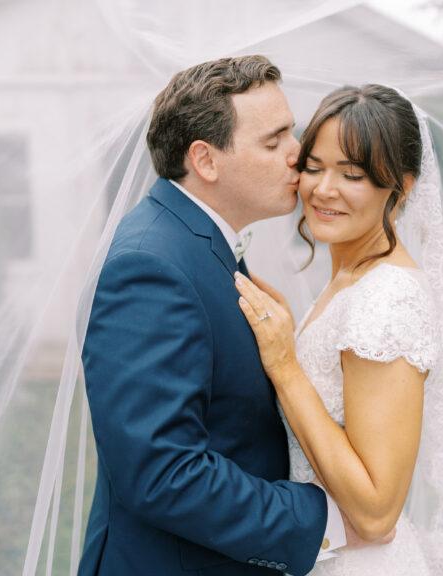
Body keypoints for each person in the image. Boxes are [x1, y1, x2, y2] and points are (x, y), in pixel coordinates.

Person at [78, 56, 387, 576]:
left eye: (293, 133)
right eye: (274, 142)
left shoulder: (200, 241)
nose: (299, 156)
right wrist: (322, 520)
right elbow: (163, 471)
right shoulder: (151, 267)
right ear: (206, 160)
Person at [235, 85, 443, 575]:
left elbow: (377, 513)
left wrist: (285, 365)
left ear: (400, 187)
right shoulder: (349, 280)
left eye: (352, 174)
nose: (323, 189)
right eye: (314, 167)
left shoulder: (387, 299)